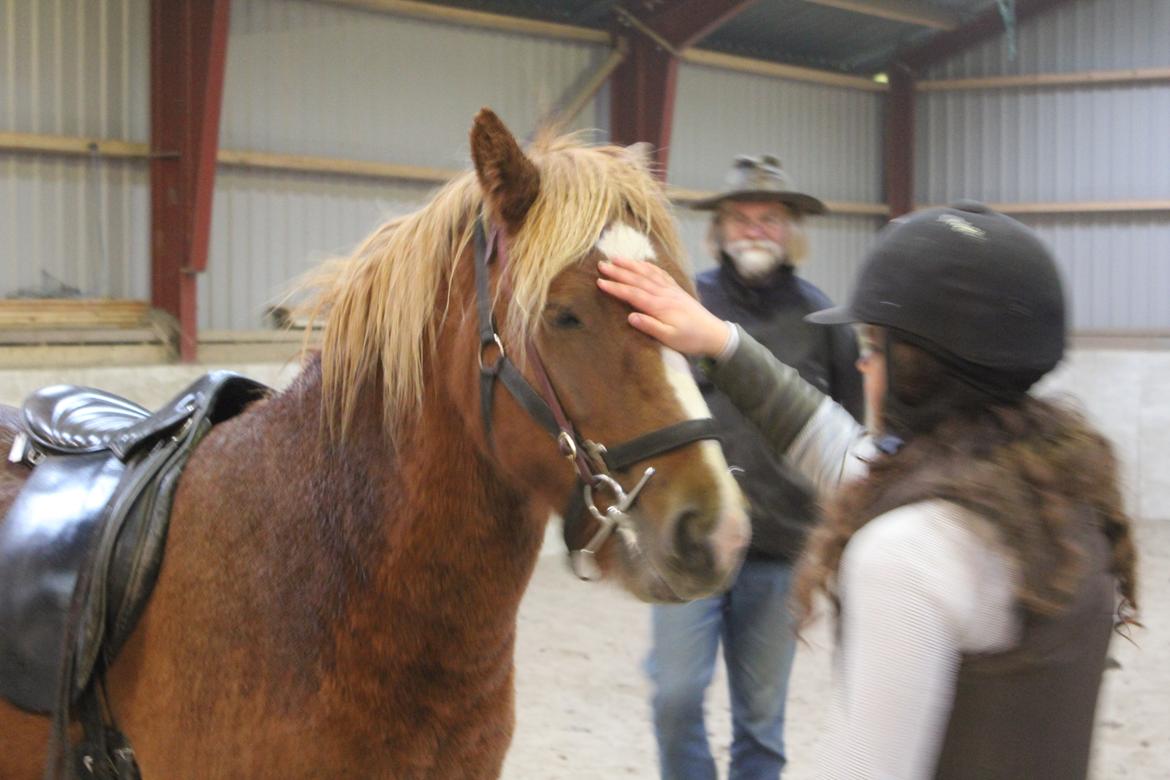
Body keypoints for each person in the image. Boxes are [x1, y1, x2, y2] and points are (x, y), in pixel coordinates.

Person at [598, 201, 1140, 779]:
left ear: (917, 368)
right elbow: (836, 446)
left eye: (873, 349)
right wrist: (720, 341)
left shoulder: (910, 550)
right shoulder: (1061, 502)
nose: (862, 367)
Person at [642, 155, 861, 780]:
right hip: (687, 541)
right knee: (675, 697)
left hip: (781, 547)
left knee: (761, 721)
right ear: (719, 229)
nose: (755, 229)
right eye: (741, 217)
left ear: (791, 228)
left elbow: (846, 433)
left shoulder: (825, 323)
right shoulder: (685, 304)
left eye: (769, 218)